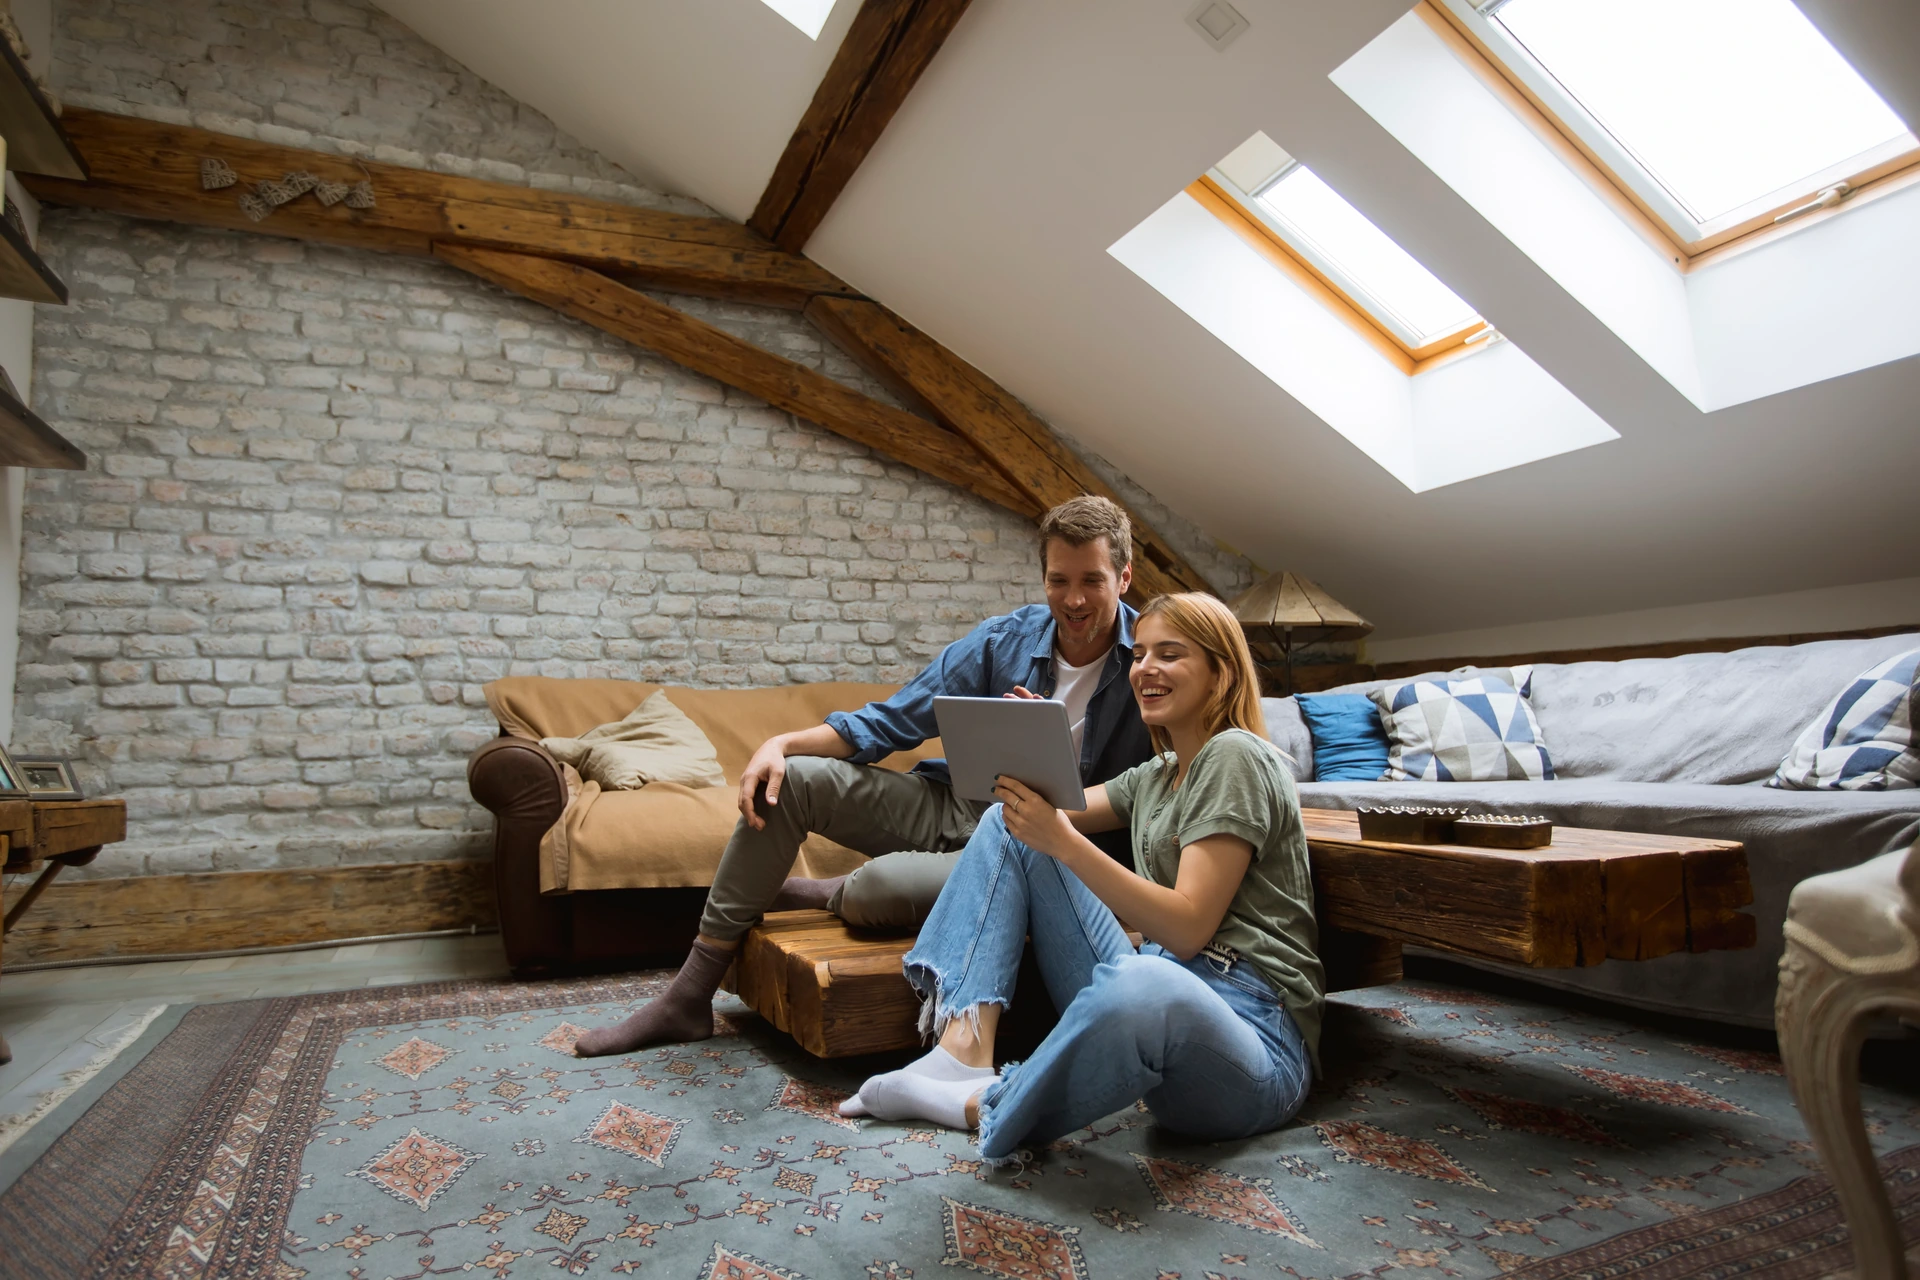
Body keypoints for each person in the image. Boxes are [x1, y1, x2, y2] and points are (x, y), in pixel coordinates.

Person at [574, 496, 1155, 1057]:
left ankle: (817, 891)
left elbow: (1171, 777)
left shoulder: (1153, 660)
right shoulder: (1005, 639)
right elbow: (890, 720)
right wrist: (780, 743)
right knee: (794, 780)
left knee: (880, 889)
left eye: (1091, 581)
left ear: (1123, 577)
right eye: (1059, 580)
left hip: (1042, 850)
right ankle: (689, 996)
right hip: (957, 804)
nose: (1073, 599)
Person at [839, 592, 1321, 1160]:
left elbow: (1190, 929)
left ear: (1221, 673)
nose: (1145, 669)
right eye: (1139, 655)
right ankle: (960, 1055)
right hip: (1161, 998)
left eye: (1170, 654)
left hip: (1252, 1046)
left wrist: (1063, 842)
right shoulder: (1159, 774)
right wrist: (1031, 735)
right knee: (1008, 823)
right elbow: (1044, 808)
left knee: (1143, 982)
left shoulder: (1237, 755)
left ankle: (980, 1106)